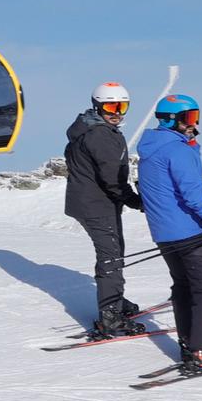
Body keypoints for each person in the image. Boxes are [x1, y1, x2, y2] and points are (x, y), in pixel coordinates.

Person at [137, 93, 202, 371]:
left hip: (165, 235)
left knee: (183, 287)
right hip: (189, 232)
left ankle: (190, 343)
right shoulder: (177, 150)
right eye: (190, 118)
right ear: (172, 120)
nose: (195, 124)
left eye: (197, 117)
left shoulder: (150, 149)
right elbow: (192, 195)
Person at [64, 82, 147, 336]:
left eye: (123, 106)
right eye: (112, 106)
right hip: (97, 205)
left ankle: (114, 301)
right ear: (97, 106)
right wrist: (135, 200)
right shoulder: (100, 135)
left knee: (114, 252)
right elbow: (112, 178)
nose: (118, 112)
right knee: (110, 256)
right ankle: (111, 314)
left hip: (93, 203)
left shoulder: (89, 128)